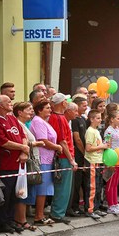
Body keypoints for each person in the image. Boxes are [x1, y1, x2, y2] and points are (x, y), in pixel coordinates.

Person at [27, 100, 61, 226]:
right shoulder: (38, 121)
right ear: (40, 110)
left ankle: (40, 214)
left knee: (45, 188)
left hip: (48, 158)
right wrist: (57, 147)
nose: (50, 110)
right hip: (42, 158)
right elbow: (44, 141)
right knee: (42, 188)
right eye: (47, 108)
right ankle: (38, 216)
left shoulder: (43, 121)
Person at [0, 96, 30, 234]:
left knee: (15, 194)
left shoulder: (11, 118)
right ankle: (2, 222)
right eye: (8, 102)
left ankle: (11, 220)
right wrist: (22, 148)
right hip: (4, 165)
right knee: (5, 195)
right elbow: (4, 142)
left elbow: (23, 134)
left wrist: (24, 151)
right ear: (0, 105)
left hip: (18, 163)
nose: (11, 104)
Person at [13, 102, 43, 232]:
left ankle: (21, 219)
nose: (31, 112)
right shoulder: (18, 124)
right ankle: (21, 220)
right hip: (23, 162)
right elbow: (22, 141)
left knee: (25, 191)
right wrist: (37, 143)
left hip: (29, 161)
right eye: (28, 109)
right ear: (19, 112)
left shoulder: (24, 125)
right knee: (21, 191)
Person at [48, 93, 78, 224]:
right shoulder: (58, 118)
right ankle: (57, 213)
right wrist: (71, 159)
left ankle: (59, 212)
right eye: (66, 100)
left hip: (65, 155)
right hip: (64, 156)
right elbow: (62, 141)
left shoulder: (58, 117)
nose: (67, 102)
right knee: (63, 187)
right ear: (63, 103)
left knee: (64, 186)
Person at [84, 109, 109, 220]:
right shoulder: (90, 131)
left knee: (98, 186)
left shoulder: (96, 131)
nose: (100, 120)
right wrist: (102, 147)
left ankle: (96, 207)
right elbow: (88, 148)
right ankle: (90, 209)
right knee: (92, 187)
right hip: (92, 161)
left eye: (100, 118)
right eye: (98, 118)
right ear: (91, 119)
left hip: (98, 161)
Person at [104, 109, 119, 214]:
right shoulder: (109, 131)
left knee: (115, 182)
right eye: (118, 119)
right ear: (112, 119)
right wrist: (110, 162)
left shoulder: (117, 129)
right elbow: (107, 145)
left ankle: (115, 203)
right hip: (113, 160)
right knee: (111, 183)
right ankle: (110, 205)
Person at [69, 96, 88, 216]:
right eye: (83, 105)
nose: (86, 107)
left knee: (82, 181)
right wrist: (84, 152)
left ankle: (79, 205)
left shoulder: (83, 119)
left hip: (84, 154)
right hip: (78, 154)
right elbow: (77, 139)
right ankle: (73, 206)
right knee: (76, 182)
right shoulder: (75, 120)